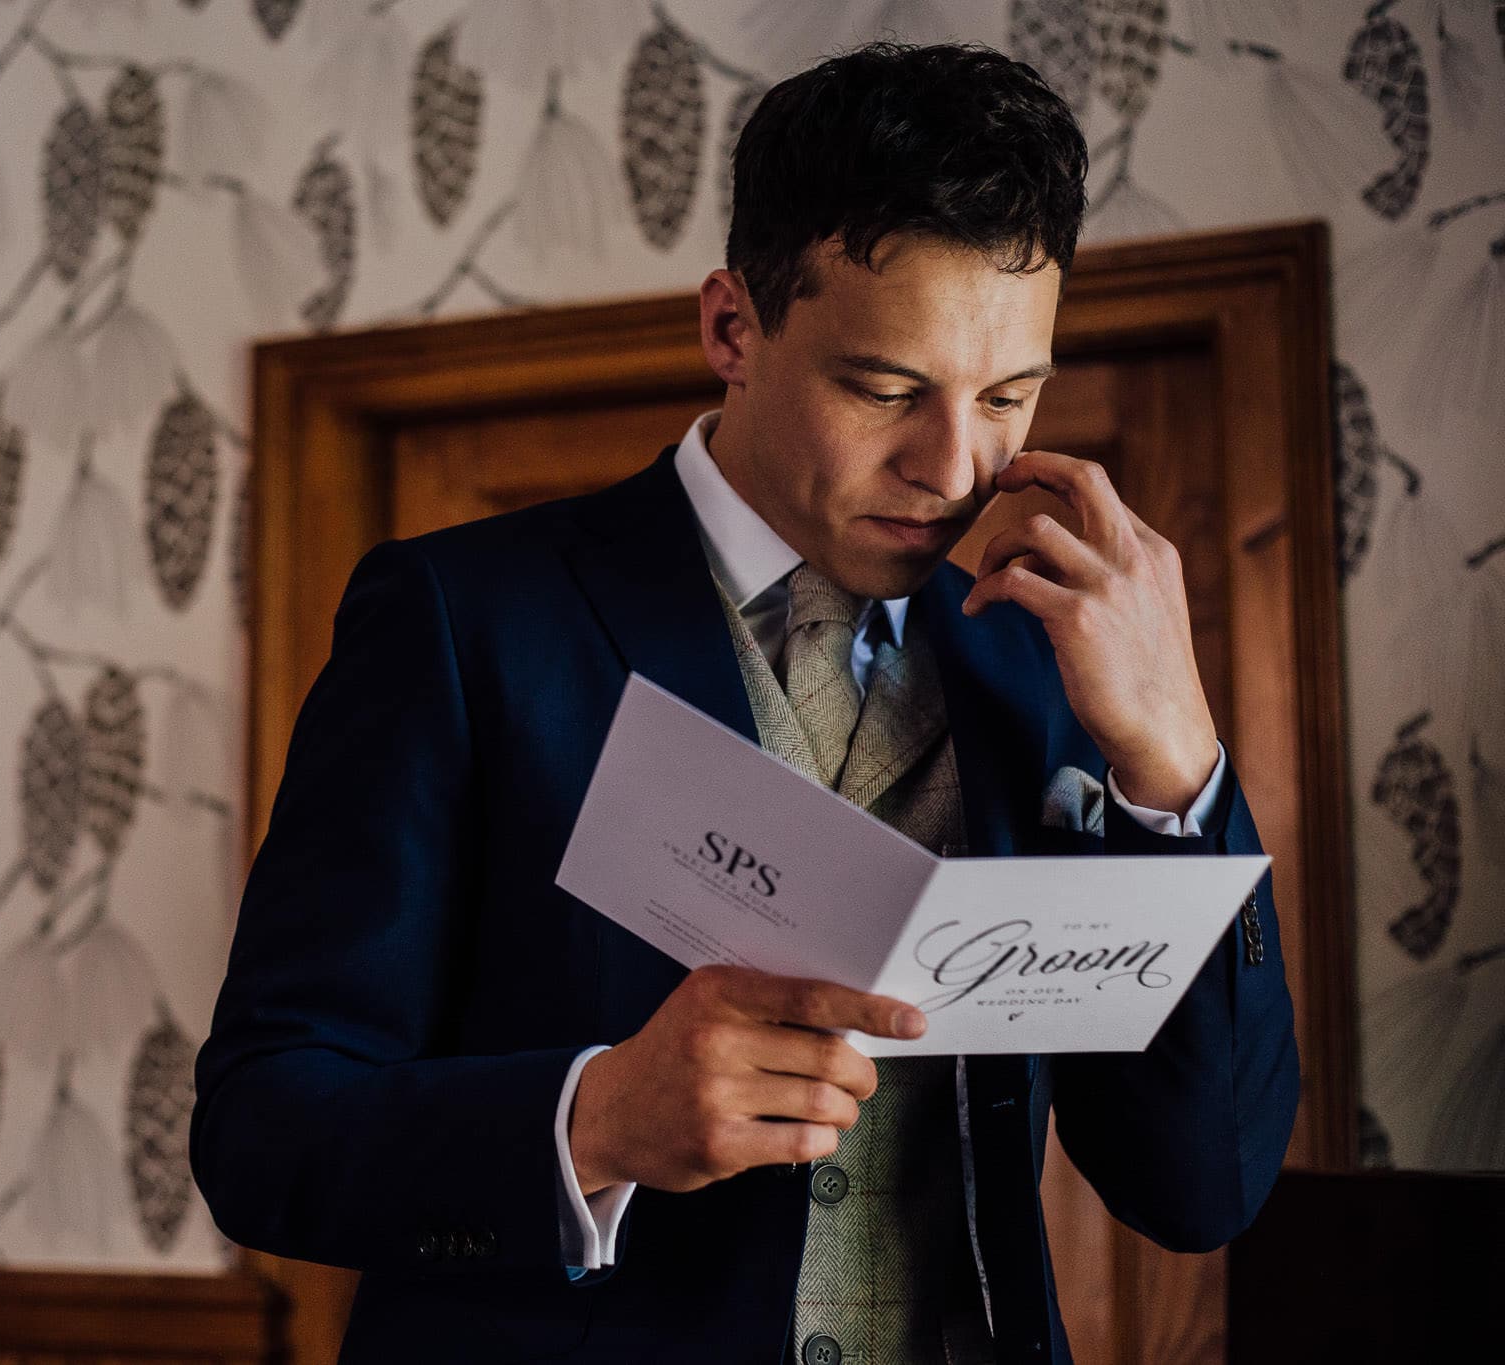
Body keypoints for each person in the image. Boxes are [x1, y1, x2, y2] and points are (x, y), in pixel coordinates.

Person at [191, 41, 1298, 1365]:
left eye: (1008, 395)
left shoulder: (1040, 663)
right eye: (886, 390)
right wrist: (591, 1117)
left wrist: (1175, 769)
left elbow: (1204, 1186)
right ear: (732, 326)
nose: (954, 466)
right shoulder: (462, 620)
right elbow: (262, 1130)